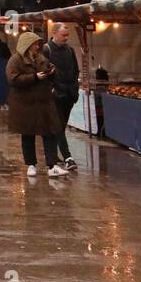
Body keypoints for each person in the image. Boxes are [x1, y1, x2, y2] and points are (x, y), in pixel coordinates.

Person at [6, 32, 69, 178]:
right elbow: (13, 79)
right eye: (35, 44)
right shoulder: (15, 60)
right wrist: (34, 77)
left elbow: (51, 70)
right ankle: (31, 164)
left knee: (50, 132)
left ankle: (52, 165)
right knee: (28, 134)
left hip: (43, 102)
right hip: (25, 104)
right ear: (27, 45)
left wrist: (52, 72)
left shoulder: (41, 58)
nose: (37, 46)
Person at [45, 23, 80, 171]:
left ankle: (53, 155)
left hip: (69, 93)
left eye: (67, 35)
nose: (66, 38)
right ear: (54, 33)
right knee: (57, 124)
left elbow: (75, 70)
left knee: (61, 126)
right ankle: (68, 157)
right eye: (63, 35)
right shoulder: (46, 49)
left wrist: (75, 89)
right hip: (55, 93)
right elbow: (43, 70)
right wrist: (52, 89)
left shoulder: (70, 50)